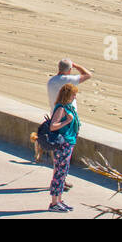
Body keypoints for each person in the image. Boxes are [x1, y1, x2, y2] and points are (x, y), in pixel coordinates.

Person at [47, 83, 80, 212]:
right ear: (68, 95)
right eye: (73, 94)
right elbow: (53, 126)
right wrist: (67, 121)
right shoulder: (61, 108)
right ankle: (54, 202)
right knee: (59, 173)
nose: (75, 97)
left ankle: (59, 200)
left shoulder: (68, 107)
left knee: (63, 172)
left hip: (69, 143)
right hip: (63, 144)